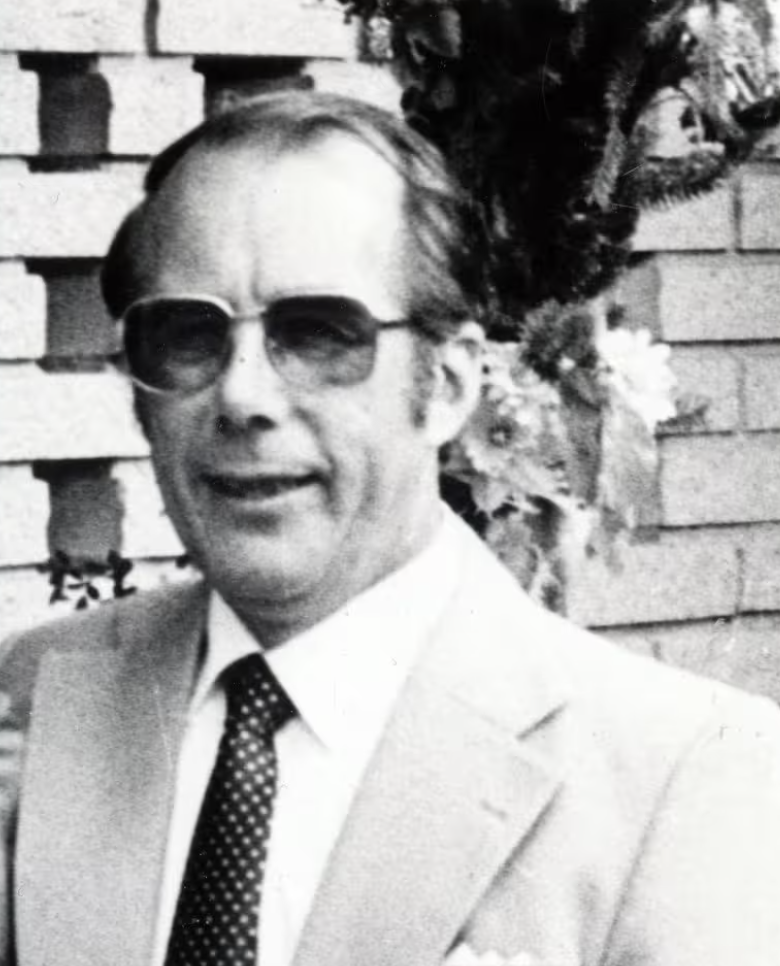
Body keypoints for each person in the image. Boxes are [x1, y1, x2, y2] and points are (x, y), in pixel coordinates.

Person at [1, 91, 780, 966]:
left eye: (319, 334)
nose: (243, 396)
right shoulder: (34, 697)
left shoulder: (682, 781)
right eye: (187, 334)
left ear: (448, 385)